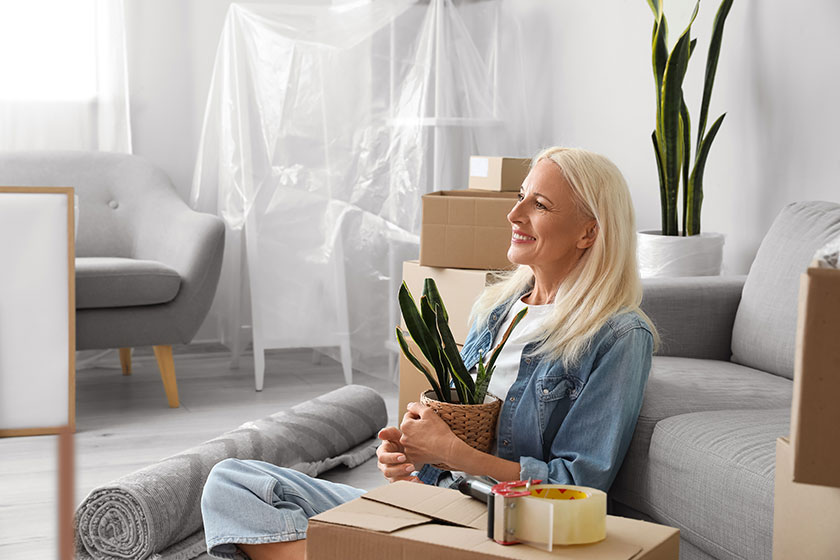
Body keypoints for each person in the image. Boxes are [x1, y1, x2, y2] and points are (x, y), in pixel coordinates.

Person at [200, 146, 657, 560]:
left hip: (505, 530)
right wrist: (413, 461)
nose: (515, 213)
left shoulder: (617, 335)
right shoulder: (495, 310)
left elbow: (578, 487)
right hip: (438, 506)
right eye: (521, 196)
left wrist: (454, 454)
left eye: (540, 205)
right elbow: (455, 435)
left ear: (587, 233)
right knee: (231, 482)